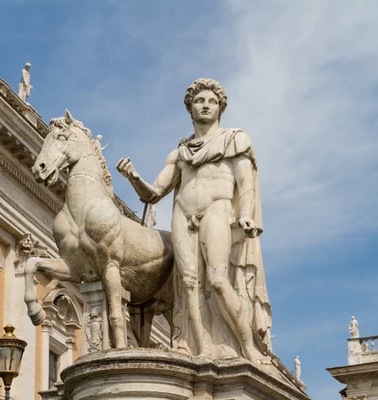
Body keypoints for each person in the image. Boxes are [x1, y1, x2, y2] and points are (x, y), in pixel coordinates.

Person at [116, 78, 271, 363]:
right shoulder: (180, 153)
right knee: (187, 285)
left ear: (220, 108)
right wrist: (133, 176)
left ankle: (247, 346)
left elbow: (245, 184)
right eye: (200, 101)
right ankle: (199, 349)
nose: (205, 105)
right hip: (183, 214)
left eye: (212, 101)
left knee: (217, 280)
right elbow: (154, 194)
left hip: (218, 209)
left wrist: (246, 214)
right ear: (190, 108)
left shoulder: (234, 139)